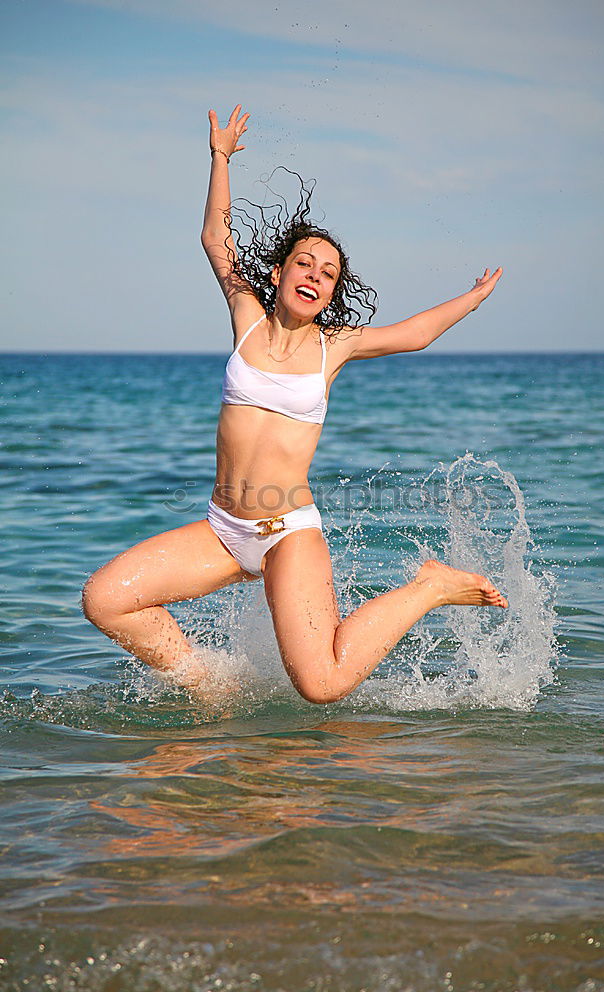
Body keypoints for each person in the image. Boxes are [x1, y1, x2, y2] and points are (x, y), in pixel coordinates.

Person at [82, 104, 507, 705]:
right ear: (280, 273)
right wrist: (221, 156)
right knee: (106, 599)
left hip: (286, 532)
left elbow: (415, 334)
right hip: (223, 527)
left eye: (328, 273)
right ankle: (210, 685)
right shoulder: (247, 319)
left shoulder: (334, 348)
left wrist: (472, 297)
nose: (314, 275)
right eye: (304, 263)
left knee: (322, 683)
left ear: (333, 292)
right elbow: (214, 238)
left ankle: (429, 588)